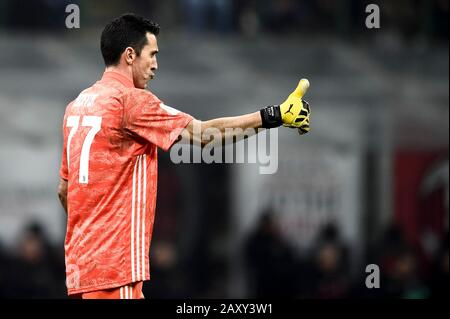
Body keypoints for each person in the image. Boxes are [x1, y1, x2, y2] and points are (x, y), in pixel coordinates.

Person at [57, 13, 311, 299]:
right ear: (130, 55)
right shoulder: (131, 101)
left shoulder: (76, 107)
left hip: (80, 272)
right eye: (151, 55)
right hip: (116, 271)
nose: (155, 65)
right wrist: (272, 116)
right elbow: (204, 135)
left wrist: (93, 232)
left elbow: (65, 191)